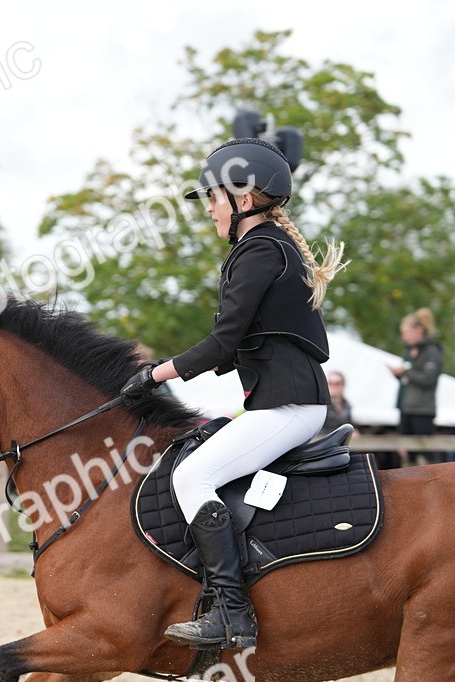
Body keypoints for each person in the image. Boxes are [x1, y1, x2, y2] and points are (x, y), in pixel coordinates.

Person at [121, 138, 347, 651]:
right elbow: (234, 349)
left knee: (193, 474)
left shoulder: (260, 249)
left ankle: (231, 612)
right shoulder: (268, 247)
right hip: (284, 401)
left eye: (214, 199)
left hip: (288, 406)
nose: (210, 211)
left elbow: (222, 341)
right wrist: (169, 369)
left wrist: (155, 375)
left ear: (244, 199)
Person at [391, 308, 444, 466]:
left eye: (406, 332)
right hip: (406, 408)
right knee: (407, 453)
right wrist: (399, 374)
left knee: (425, 453)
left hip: (422, 410)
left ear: (419, 331)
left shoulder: (432, 351)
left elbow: (428, 379)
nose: (404, 337)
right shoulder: (409, 351)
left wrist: (407, 371)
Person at [321, 371, 354, 436]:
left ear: (343, 385)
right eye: (330, 383)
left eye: (337, 383)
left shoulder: (347, 405)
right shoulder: (322, 406)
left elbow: (350, 424)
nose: (334, 386)